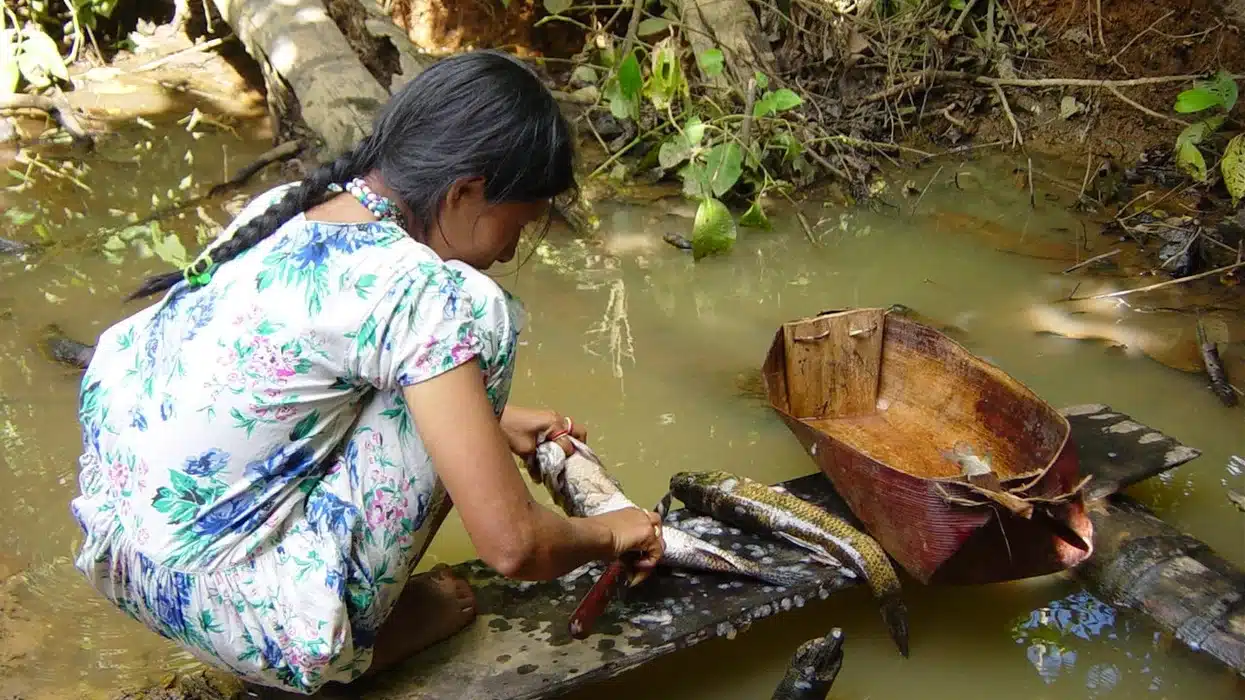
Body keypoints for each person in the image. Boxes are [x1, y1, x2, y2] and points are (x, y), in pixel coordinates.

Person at [68, 50, 665, 695]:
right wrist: (613, 530)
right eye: (515, 226)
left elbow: (279, 392)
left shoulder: (292, 209)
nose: (511, 251)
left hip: (125, 560)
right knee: (482, 317)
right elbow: (514, 546)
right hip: (247, 621)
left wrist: (497, 423)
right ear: (465, 192)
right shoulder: (431, 293)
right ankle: (336, 649)